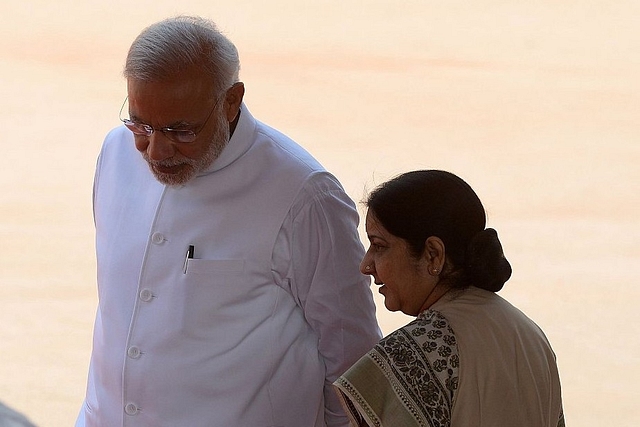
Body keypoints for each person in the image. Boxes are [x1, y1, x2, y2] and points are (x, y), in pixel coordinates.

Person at [76, 16, 381, 427]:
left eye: (180, 130)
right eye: (141, 124)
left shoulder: (305, 197)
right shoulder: (116, 154)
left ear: (231, 100)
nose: (156, 150)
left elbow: (352, 356)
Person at [333, 170, 565, 427]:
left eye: (378, 246)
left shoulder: (410, 352)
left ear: (433, 254)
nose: (366, 265)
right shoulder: (530, 335)